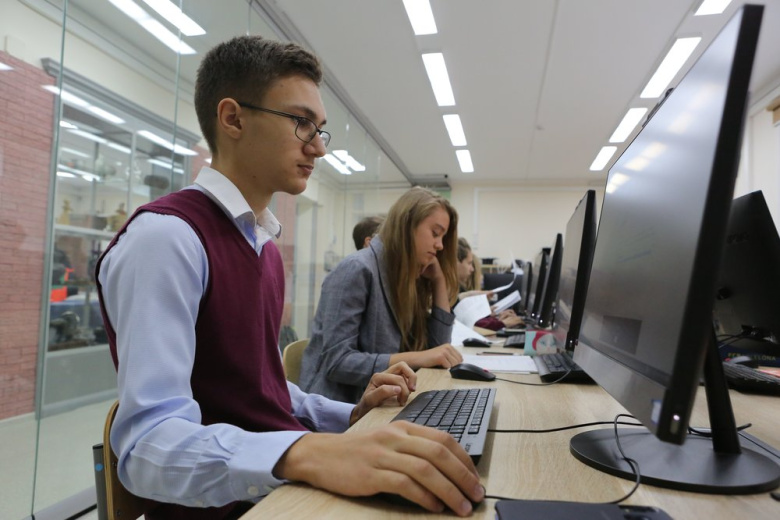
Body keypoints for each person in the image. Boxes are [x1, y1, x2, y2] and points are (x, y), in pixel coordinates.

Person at [96, 36, 483, 519]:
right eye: (302, 123)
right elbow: (146, 449)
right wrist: (308, 452)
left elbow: (265, 392)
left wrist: (350, 416)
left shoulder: (263, 248)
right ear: (233, 119)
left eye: (320, 130)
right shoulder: (167, 238)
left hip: (277, 489)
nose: (318, 147)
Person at [300, 186, 464, 403]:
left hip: (381, 402)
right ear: (407, 225)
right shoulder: (356, 269)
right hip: (338, 407)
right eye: (435, 233)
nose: (440, 245)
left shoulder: (405, 277)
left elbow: (438, 352)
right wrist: (418, 358)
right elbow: (337, 363)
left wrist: (439, 281)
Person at [457, 238, 524, 330]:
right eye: (469, 263)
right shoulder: (449, 291)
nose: (472, 269)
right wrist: (501, 323)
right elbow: (470, 324)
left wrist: (488, 315)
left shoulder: (457, 291)